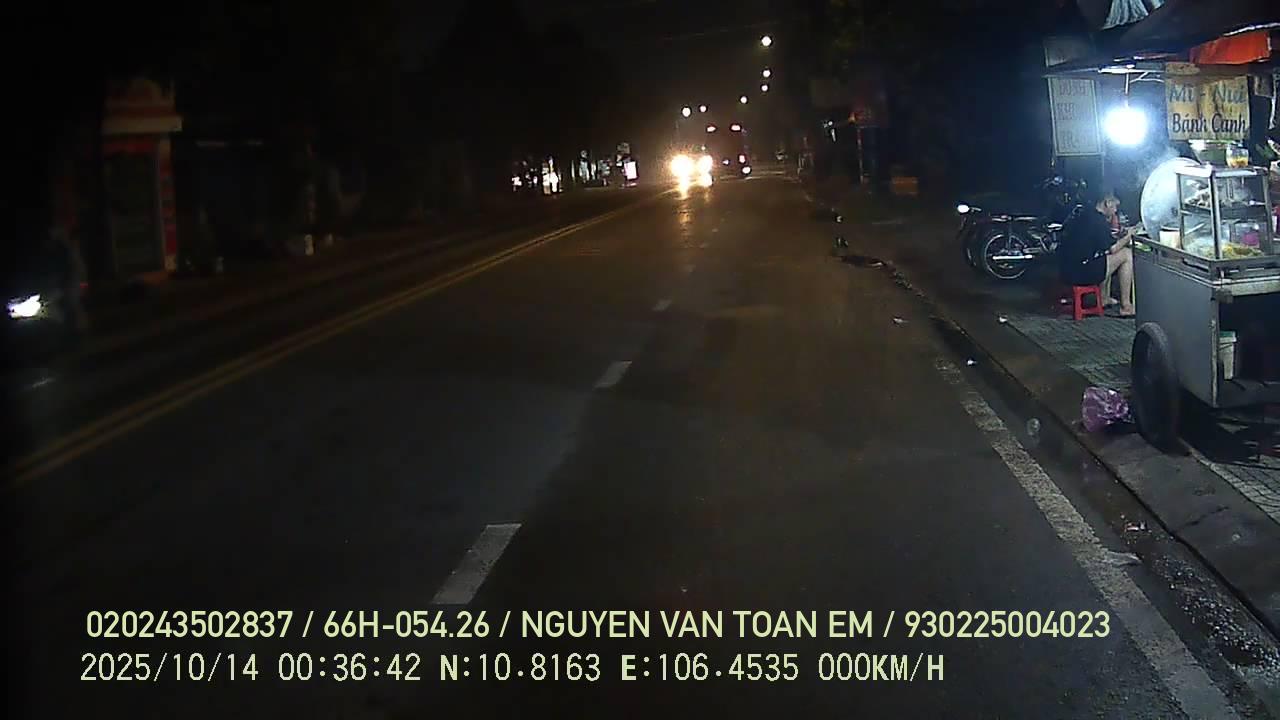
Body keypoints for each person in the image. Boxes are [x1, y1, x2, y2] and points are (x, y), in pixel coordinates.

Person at [1058, 187, 1135, 317]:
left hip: (1067, 269)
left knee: (1106, 256)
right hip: (1080, 273)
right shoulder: (1098, 220)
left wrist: (1119, 237)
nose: (1115, 211)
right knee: (1126, 254)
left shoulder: (1086, 214)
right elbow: (1113, 248)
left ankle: (1104, 298)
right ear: (1107, 203)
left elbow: (1102, 243)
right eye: (1115, 206)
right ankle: (1126, 306)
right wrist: (1129, 236)